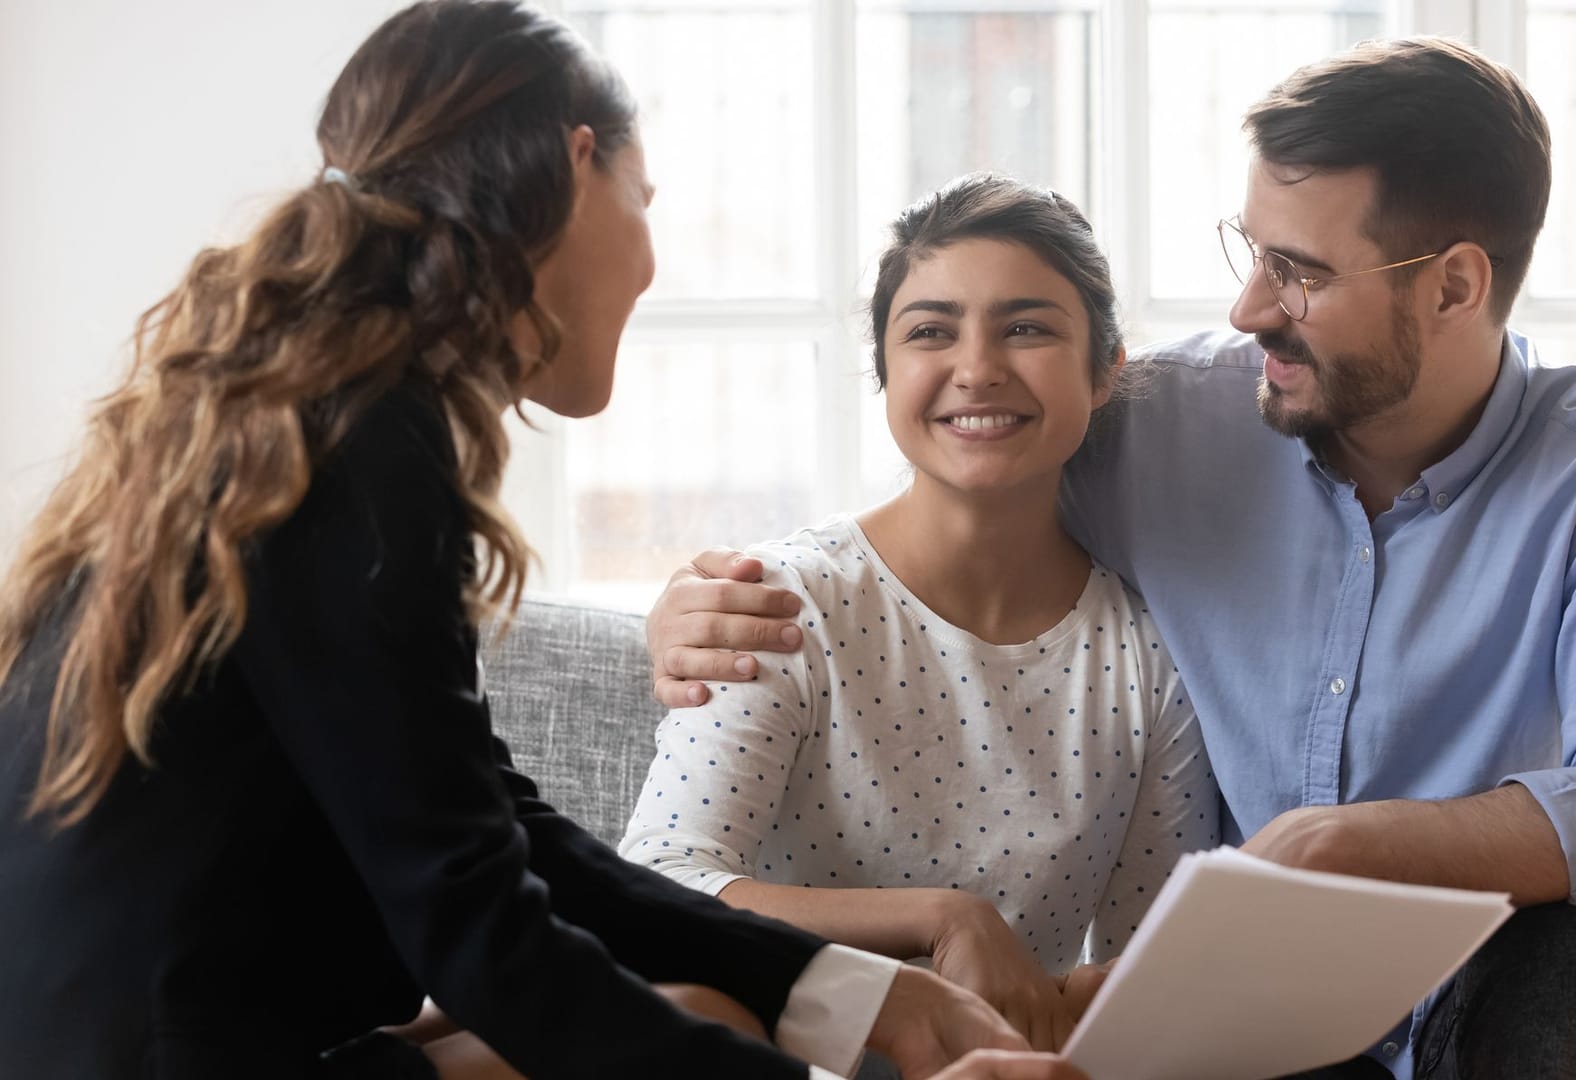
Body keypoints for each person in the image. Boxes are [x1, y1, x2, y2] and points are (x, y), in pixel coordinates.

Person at [0, 4, 1088, 1079]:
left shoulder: (310, 408)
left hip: (153, 1034)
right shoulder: (359, 441)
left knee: (708, 1005)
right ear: (578, 166)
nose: (655, 259)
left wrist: (851, 992)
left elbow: (506, 840)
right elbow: (471, 918)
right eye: (645, 199)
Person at [642, 37, 1576, 1080]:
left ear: (1456, 285)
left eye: (1302, 272)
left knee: (1569, 951)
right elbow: (966, 478)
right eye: (1251, 250)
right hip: (1259, 1034)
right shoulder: (1157, 424)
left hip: (1507, 1008)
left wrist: (1358, 845)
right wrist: (700, 602)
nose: (1248, 305)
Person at [616, 174, 1219, 1053]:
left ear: (1104, 374)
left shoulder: (1147, 658)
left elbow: (1140, 978)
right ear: (887, 370)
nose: (976, 368)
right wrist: (941, 920)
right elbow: (656, 883)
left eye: (1027, 328)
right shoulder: (783, 604)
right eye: (931, 331)